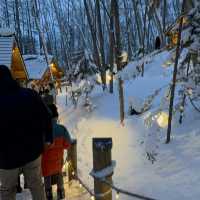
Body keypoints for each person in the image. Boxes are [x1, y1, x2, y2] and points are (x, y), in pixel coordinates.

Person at [0, 65, 53, 200]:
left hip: (7, 159)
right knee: (36, 186)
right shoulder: (30, 95)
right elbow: (47, 116)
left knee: (7, 191)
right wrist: (48, 138)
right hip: (32, 152)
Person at [42, 104, 75, 200]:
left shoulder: (42, 131)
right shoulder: (62, 129)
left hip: (45, 162)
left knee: (47, 176)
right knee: (59, 174)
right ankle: (61, 192)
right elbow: (67, 144)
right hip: (58, 161)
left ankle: (48, 194)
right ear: (56, 116)